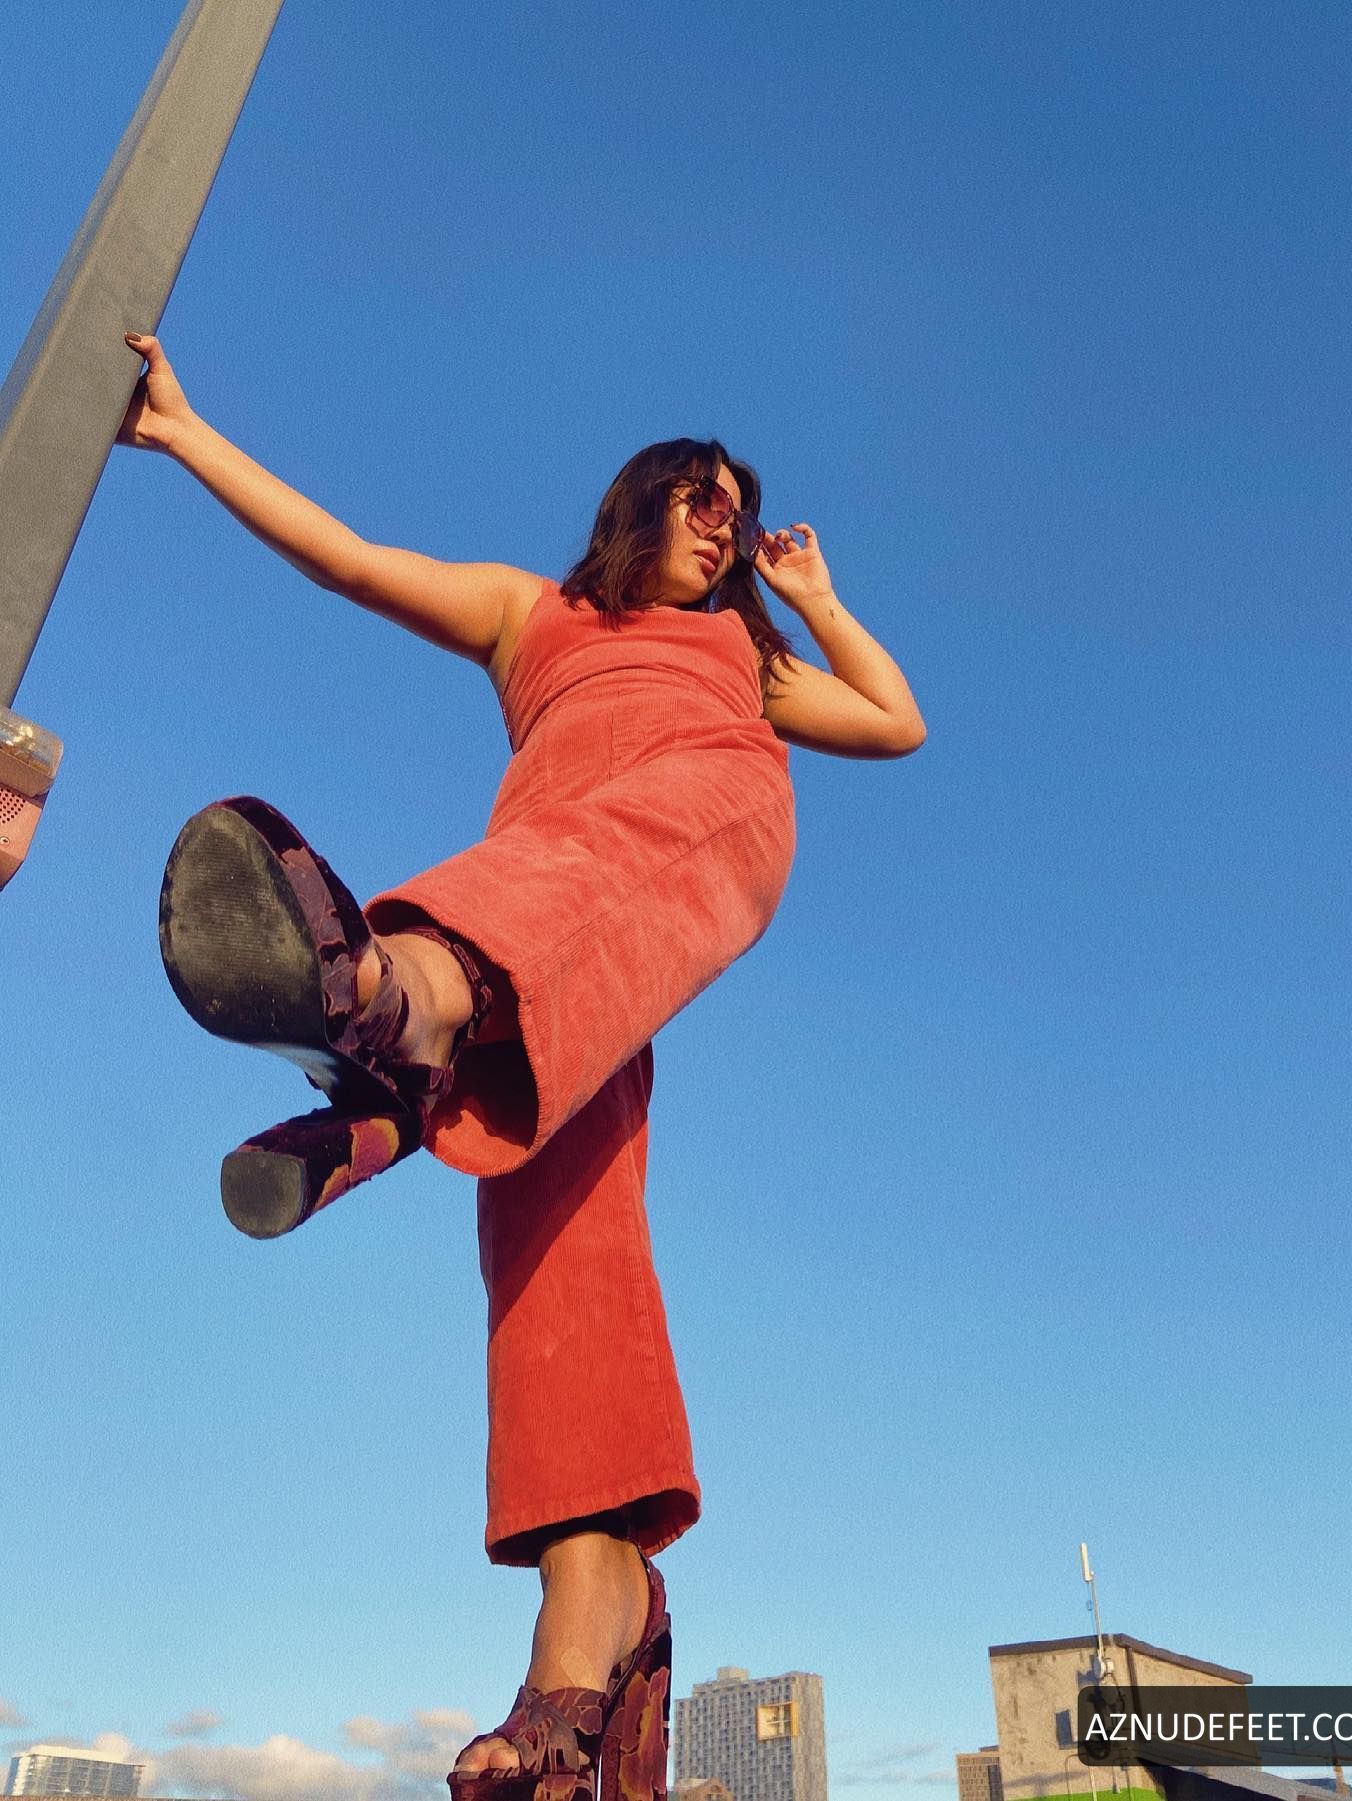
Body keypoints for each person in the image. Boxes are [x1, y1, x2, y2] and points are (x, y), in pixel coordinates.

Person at [119, 331, 926, 1801]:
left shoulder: (746, 658)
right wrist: (185, 435)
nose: (724, 522)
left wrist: (813, 601)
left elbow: (896, 722)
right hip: (550, 962)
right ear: (636, 501)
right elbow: (351, 560)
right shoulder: (531, 615)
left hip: (674, 856)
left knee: (572, 877)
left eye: (739, 509)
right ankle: (583, 1646)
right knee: (560, 1245)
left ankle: (399, 1031)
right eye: (698, 496)